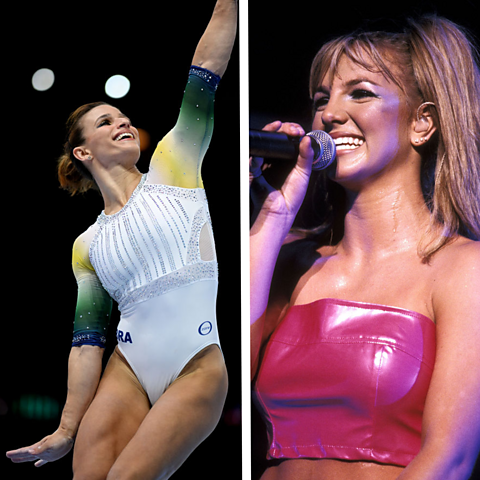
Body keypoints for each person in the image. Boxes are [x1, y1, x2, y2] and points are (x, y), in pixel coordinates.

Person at [6, 1, 237, 478]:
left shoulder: (174, 164)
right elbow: (87, 342)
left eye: (124, 116)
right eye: (106, 122)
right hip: (127, 369)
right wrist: (67, 430)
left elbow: (207, 70)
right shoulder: (86, 246)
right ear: (83, 151)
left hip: (197, 367)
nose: (122, 122)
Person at [250, 14, 480, 480]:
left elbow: (449, 459)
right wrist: (273, 217)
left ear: (422, 123)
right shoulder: (289, 263)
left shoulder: (462, 269)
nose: (329, 114)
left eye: (360, 93)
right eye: (321, 99)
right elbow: (216, 379)